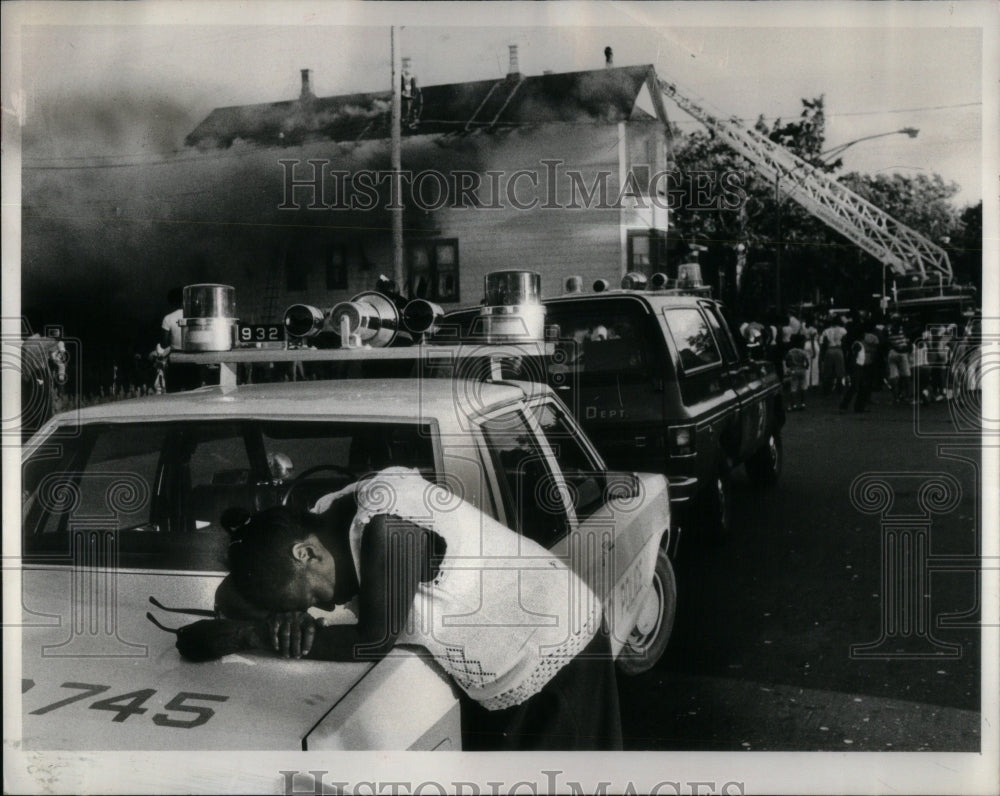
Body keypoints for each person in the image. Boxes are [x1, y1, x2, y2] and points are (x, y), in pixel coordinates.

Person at [174, 468, 622, 751]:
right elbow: (235, 594)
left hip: (555, 651)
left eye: (313, 597)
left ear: (306, 554)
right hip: (507, 658)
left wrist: (248, 636)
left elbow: (372, 640)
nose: (326, 606)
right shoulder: (322, 517)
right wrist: (281, 620)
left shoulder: (390, 525)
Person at [885, 314, 912, 405]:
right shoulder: (902, 328)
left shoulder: (888, 329)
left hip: (892, 352)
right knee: (906, 375)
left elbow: (887, 341)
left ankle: (895, 398)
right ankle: (908, 397)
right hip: (902, 352)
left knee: (894, 377)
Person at [819, 316, 847, 393]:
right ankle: (839, 388)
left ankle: (827, 388)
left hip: (829, 350)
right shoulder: (843, 330)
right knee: (839, 370)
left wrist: (822, 353)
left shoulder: (826, 331)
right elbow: (845, 341)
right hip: (838, 349)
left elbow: (823, 342)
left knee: (828, 370)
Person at [783, 334, 810, 410]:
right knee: (803, 386)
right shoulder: (803, 352)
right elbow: (807, 363)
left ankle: (794, 404)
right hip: (802, 369)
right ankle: (803, 403)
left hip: (793, 370)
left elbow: (787, 363)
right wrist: (806, 367)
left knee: (793, 387)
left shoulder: (790, 352)